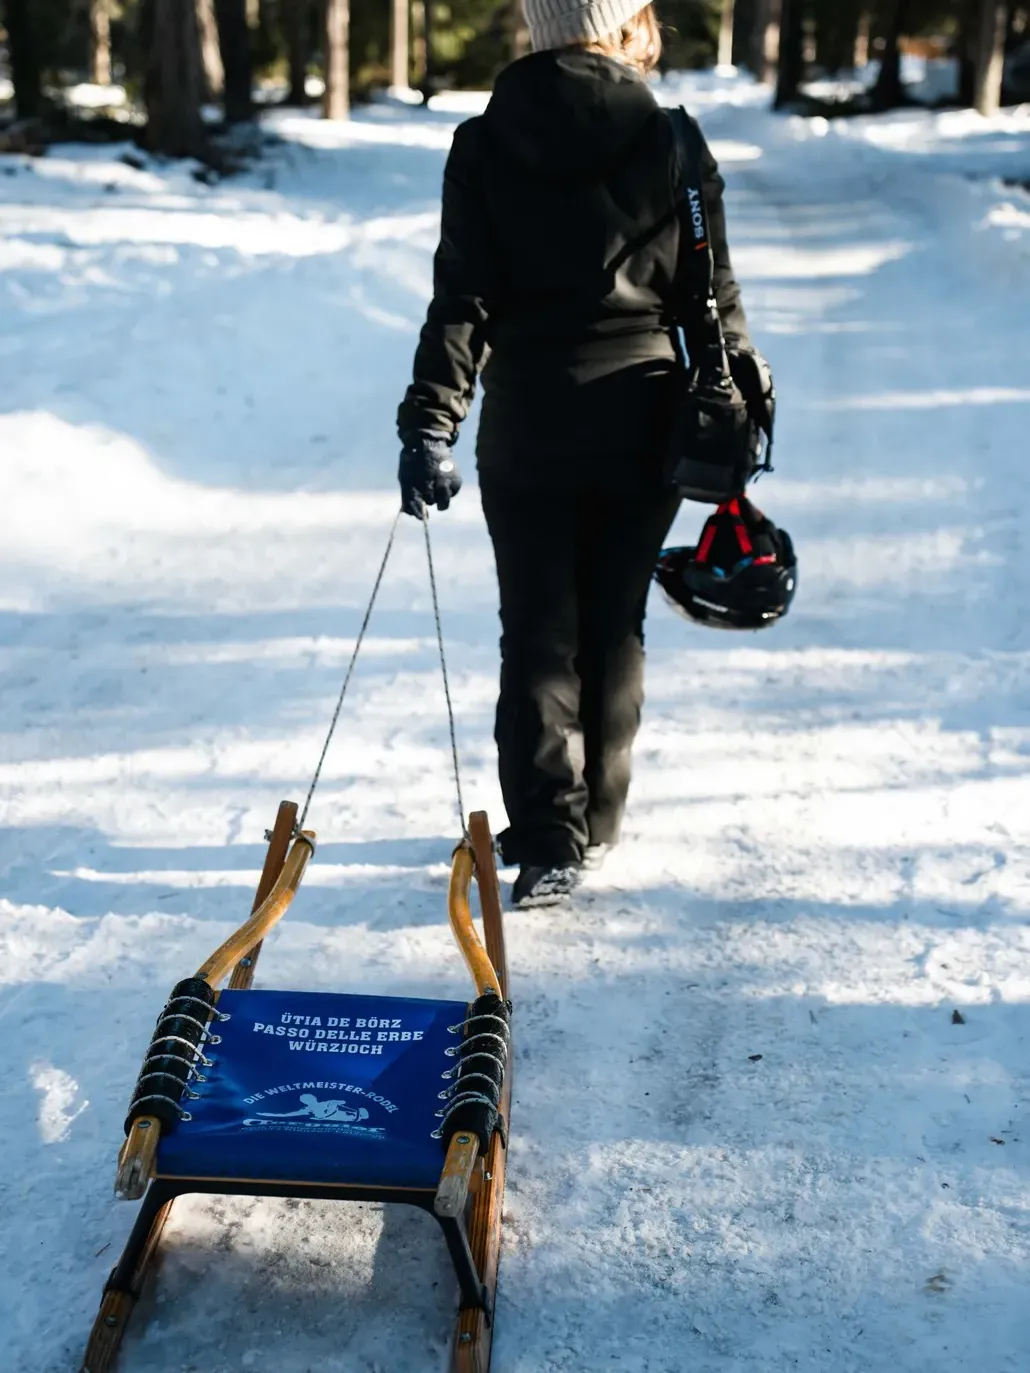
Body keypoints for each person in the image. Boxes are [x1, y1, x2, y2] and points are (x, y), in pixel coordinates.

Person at [397, 0, 763, 907]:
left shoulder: (483, 144)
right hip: (643, 416)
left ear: (540, 26)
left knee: (536, 627)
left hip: (527, 420)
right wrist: (744, 410)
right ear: (622, 25)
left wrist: (430, 422)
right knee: (614, 620)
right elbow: (709, 297)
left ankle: (550, 834)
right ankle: (597, 816)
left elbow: (462, 302)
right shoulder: (673, 139)